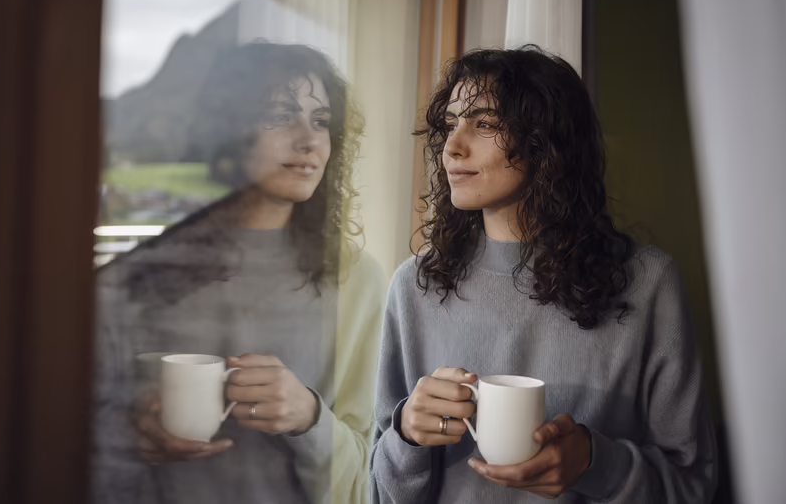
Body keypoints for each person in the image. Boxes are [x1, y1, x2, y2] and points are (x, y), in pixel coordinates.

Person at [370, 46, 717, 503]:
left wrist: (597, 463)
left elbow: (693, 487)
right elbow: (378, 491)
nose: (453, 145)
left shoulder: (648, 283)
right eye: (451, 123)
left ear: (546, 139)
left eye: (484, 122)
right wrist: (407, 436)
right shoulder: (414, 285)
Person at [92, 42, 386, 504]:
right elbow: (57, 432)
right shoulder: (138, 270)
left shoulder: (357, 280)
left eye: (321, 121)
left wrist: (309, 416)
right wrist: (128, 431)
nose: (309, 140)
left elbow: (365, 480)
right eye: (280, 115)